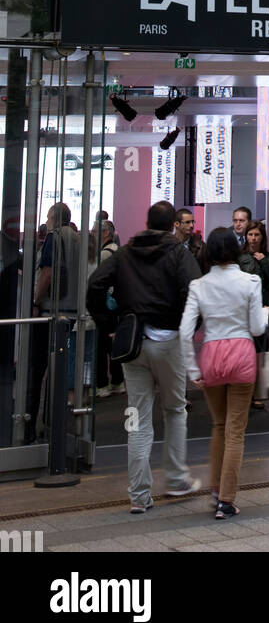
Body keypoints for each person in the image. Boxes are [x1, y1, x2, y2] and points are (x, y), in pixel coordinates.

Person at [87, 200, 201, 513]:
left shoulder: (125, 252)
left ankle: (139, 495)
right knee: (175, 409)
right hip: (168, 342)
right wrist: (185, 325)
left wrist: (110, 324)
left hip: (133, 343)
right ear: (171, 225)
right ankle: (176, 479)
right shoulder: (179, 253)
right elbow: (195, 291)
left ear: (147, 221)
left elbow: (95, 283)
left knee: (137, 419)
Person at [180, 227, 267, 520]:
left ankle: (216, 490)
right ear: (235, 248)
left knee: (218, 426)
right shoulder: (251, 281)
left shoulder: (199, 286)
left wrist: (193, 369)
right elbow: (256, 329)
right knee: (235, 431)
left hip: (212, 356)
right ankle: (226, 501)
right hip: (242, 354)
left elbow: (184, 332)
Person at [26, 202, 81, 442]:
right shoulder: (80, 240)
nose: (46, 221)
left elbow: (47, 272)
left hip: (50, 309)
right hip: (70, 312)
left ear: (54, 219)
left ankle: (29, 426)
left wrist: (36, 301)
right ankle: (53, 422)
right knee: (59, 369)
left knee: (37, 368)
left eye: (48, 217)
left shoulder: (54, 237)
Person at [239, 221, 269, 407]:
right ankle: (243, 390)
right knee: (242, 352)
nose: (253, 238)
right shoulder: (239, 258)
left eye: (256, 235)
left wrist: (263, 261)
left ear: (262, 237)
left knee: (261, 352)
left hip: (263, 309)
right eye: (250, 235)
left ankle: (258, 393)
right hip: (243, 309)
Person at [92, 220, 124, 398]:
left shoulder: (104, 254)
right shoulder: (118, 251)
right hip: (116, 305)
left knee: (101, 346)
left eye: (94, 231)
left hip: (105, 305)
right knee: (113, 346)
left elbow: (97, 281)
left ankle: (102, 384)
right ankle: (117, 382)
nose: (92, 234)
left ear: (105, 233)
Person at [174, 208, 207, 272]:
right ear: (177, 224)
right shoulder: (169, 244)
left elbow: (205, 272)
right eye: (187, 222)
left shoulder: (201, 247)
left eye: (193, 222)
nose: (192, 225)